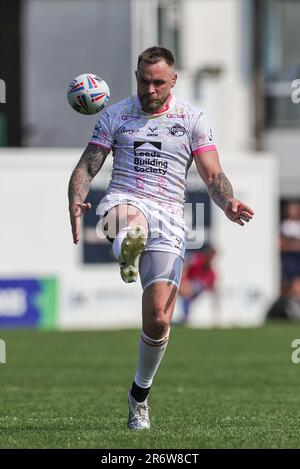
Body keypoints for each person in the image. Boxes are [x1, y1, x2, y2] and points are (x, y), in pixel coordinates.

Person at [68, 46, 254, 431]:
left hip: (169, 216)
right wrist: (76, 198)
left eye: (157, 82)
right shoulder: (116, 114)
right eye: (142, 80)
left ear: (173, 80)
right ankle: (128, 247)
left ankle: (139, 396)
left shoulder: (192, 119)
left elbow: (213, 175)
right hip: (122, 201)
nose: (149, 89)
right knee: (129, 221)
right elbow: (89, 164)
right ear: (135, 76)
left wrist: (228, 202)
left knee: (157, 319)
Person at [178, 243, 217, 324]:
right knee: (186, 289)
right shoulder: (197, 261)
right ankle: (185, 316)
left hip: (197, 293)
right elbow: (185, 269)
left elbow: (211, 288)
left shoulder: (212, 273)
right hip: (187, 286)